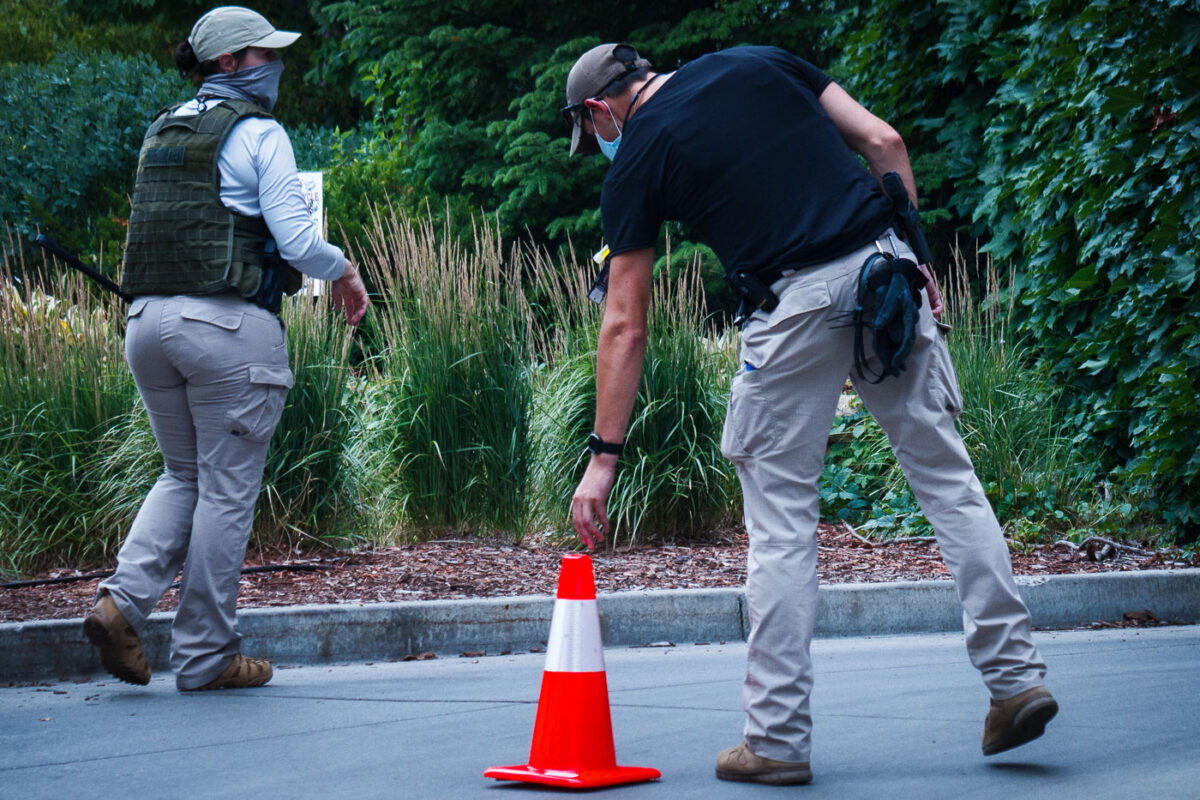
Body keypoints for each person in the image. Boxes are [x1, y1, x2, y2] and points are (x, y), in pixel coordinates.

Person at [561, 42, 1056, 785]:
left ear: (601, 109)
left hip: (793, 308)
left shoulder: (639, 155)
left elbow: (625, 322)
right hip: (887, 271)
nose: (601, 143)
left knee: (783, 522)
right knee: (949, 483)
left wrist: (604, 456)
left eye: (593, 130)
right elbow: (883, 141)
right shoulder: (758, 60)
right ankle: (1017, 681)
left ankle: (778, 739)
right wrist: (917, 256)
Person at [83, 6, 369, 692]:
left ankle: (121, 603)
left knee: (184, 475)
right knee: (227, 491)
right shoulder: (260, 134)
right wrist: (346, 271)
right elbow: (298, 245)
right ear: (233, 63)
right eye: (263, 53)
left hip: (147, 326)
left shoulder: (164, 130)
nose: (275, 64)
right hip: (227, 333)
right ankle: (207, 655)